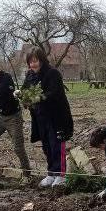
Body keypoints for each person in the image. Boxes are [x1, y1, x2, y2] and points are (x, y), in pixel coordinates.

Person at [23, 47, 73, 187]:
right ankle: (51, 173)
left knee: (57, 144)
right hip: (40, 117)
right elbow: (25, 90)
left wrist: (38, 97)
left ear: (42, 60)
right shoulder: (30, 75)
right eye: (30, 62)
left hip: (56, 116)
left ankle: (61, 175)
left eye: (35, 61)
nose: (33, 65)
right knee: (46, 146)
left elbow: (54, 93)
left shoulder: (53, 73)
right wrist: (23, 97)